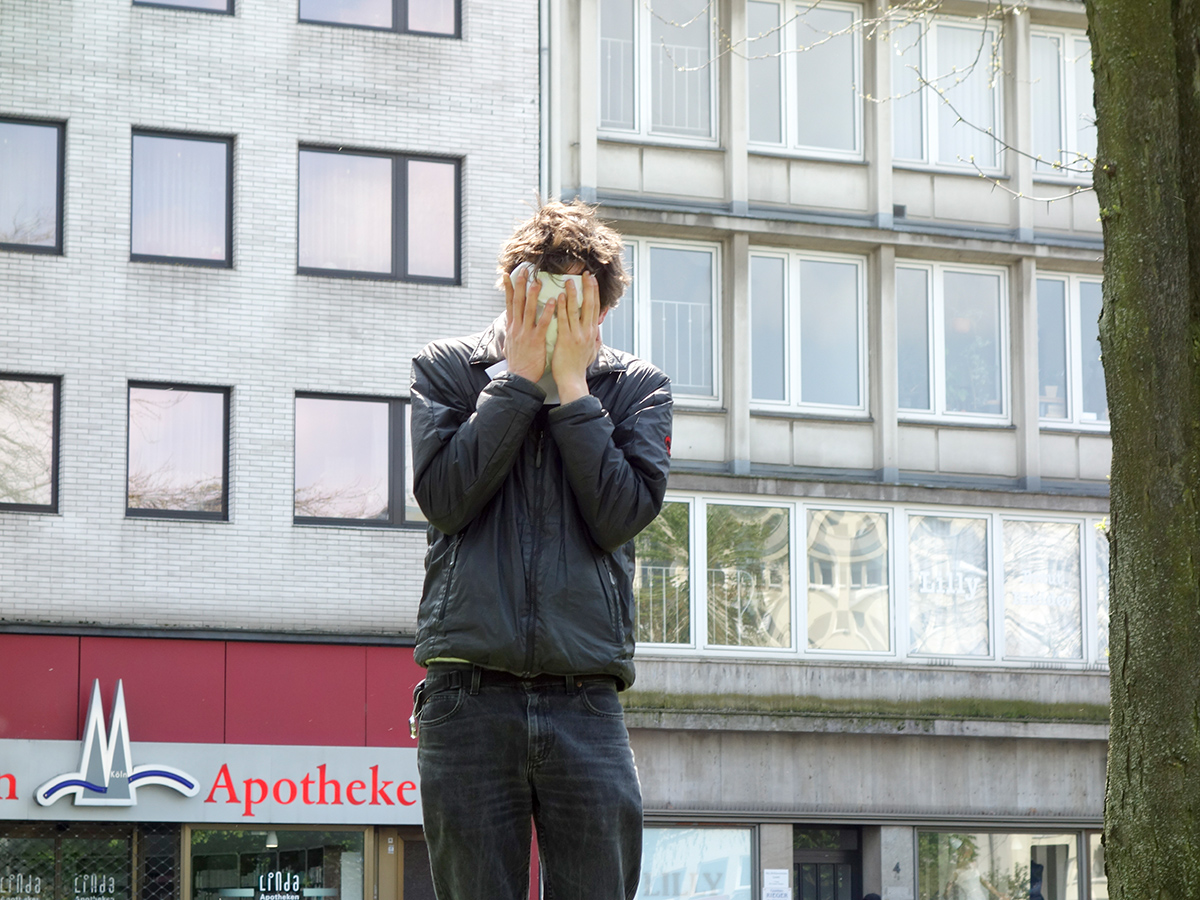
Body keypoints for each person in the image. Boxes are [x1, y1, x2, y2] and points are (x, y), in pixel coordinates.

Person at [408, 199, 674, 900]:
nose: (554, 308)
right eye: (540, 286)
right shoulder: (449, 371)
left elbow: (620, 514)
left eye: (573, 293)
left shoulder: (636, 388)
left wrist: (572, 391)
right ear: (512, 286)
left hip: (585, 698)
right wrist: (517, 382)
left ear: (601, 307)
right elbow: (445, 499)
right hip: (467, 698)